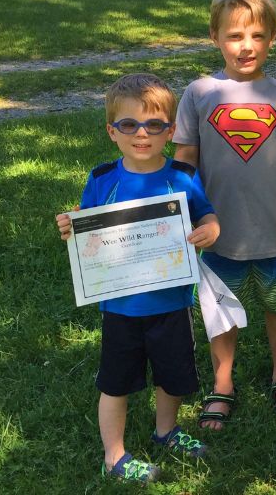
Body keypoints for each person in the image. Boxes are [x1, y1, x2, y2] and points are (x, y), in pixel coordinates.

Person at [55, 74, 220, 483]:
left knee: (173, 373)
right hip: (122, 305)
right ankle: (114, 456)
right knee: (115, 381)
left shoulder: (182, 176)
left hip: (172, 299)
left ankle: (166, 430)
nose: (142, 134)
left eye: (154, 125)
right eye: (129, 125)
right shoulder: (103, 179)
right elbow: (87, 228)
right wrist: (70, 227)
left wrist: (211, 230)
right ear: (112, 131)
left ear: (171, 130)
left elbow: (207, 214)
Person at [173, 0, 276, 426]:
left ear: (272, 38)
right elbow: (184, 162)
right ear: (215, 37)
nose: (246, 46)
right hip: (219, 233)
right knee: (221, 311)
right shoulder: (199, 94)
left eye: (257, 36)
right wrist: (188, 219)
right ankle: (223, 382)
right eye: (235, 36)